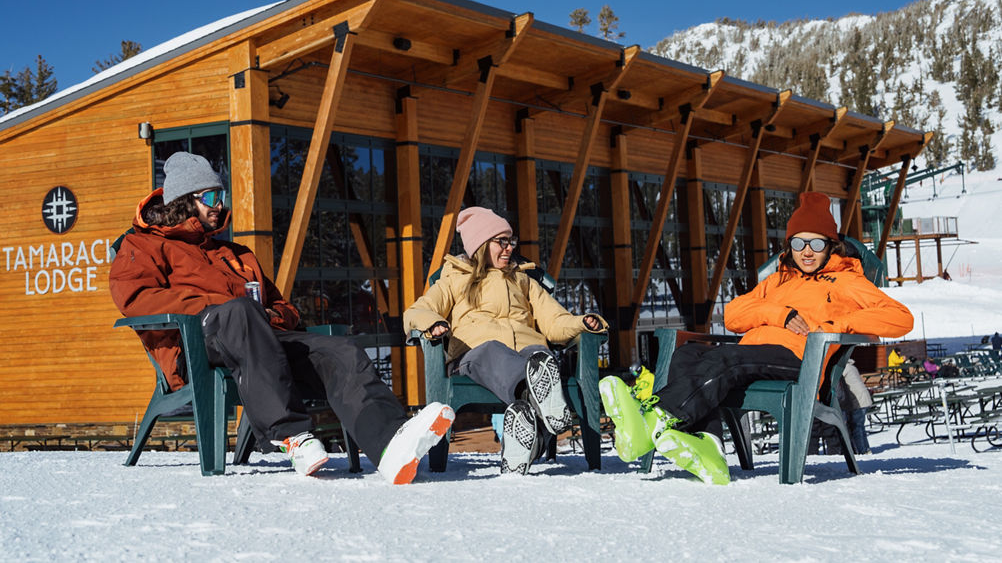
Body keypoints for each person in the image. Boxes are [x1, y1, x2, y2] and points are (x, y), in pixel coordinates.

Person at [110, 152, 454, 482]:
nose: (220, 205)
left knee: (340, 351)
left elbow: (285, 306)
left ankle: (390, 443)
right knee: (239, 311)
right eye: (212, 196)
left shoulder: (235, 254)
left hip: (263, 339)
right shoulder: (143, 246)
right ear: (186, 200)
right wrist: (216, 305)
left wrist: (274, 313)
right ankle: (293, 436)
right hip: (198, 346)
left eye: (221, 195)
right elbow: (135, 298)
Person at [600, 191, 914, 484]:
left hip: (799, 361)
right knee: (688, 354)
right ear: (789, 245)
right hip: (751, 357)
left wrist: (836, 324)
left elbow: (901, 318)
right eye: (799, 243)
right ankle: (709, 446)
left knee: (728, 359)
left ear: (831, 246)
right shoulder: (776, 282)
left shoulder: (847, 281)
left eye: (816, 244)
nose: (807, 252)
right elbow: (734, 315)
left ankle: (654, 418)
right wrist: (779, 315)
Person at [403, 206, 608, 475]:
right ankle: (540, 393)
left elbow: (554, 320)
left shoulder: (523, 279)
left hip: (527, 352)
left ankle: (525, 437)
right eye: (501, 242)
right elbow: (416, 311)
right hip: (476, 356)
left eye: (511, 241)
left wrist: (581, 323)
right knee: (493, 350)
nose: (509, 248)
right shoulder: (453, 279)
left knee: (538, 352)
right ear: (480, 245)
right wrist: (434, 323)